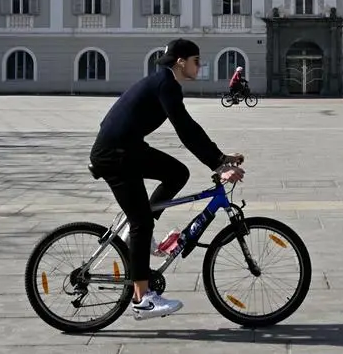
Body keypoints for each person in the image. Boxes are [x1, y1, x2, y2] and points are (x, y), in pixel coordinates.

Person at [89, 38, 245, 320]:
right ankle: (142, 299)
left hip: (128, 147)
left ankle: (137, 234)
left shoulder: (164, 83)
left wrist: (219, 158)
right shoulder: (166, 85)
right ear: (181, 62)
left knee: (177, 173)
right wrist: (218, 164)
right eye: (196, 60)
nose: (200, 65)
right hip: (115, 155)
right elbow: (185, 129)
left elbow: (189, 127)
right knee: (142, 222)